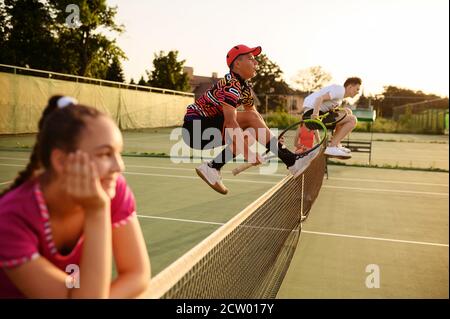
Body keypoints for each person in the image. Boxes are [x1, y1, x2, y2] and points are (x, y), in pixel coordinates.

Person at [0, 96, 151, 298]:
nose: (119, 166)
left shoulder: (113, 189)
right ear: (61, 161)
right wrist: (97, 210)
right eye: (105, 154)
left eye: (118, 153)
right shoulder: (10, 218)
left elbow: (137, 275)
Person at [182, 44, 319, 195]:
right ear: (238, 63)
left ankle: (212, 167)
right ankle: (292, 162)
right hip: (195, 129)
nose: (256, 63)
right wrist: (248, 154)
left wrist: (271, 140)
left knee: (250, 134)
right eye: (251, 59)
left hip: (205, 129)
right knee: (247, 126)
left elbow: (255, 116)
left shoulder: (244, 87)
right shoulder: (231, 84)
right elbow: (231, 122)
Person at [302, 77, 362, 159]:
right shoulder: (340, 90)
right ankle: (332, 146)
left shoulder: (339, 100)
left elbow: (334, 115)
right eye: (357, 89)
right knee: (352, 119)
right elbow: (319, 98)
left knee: (347, 112)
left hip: (316, 114)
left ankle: (335, 145)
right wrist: (315, 114)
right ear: (350, 87)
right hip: (311, 115)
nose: (358, 92)